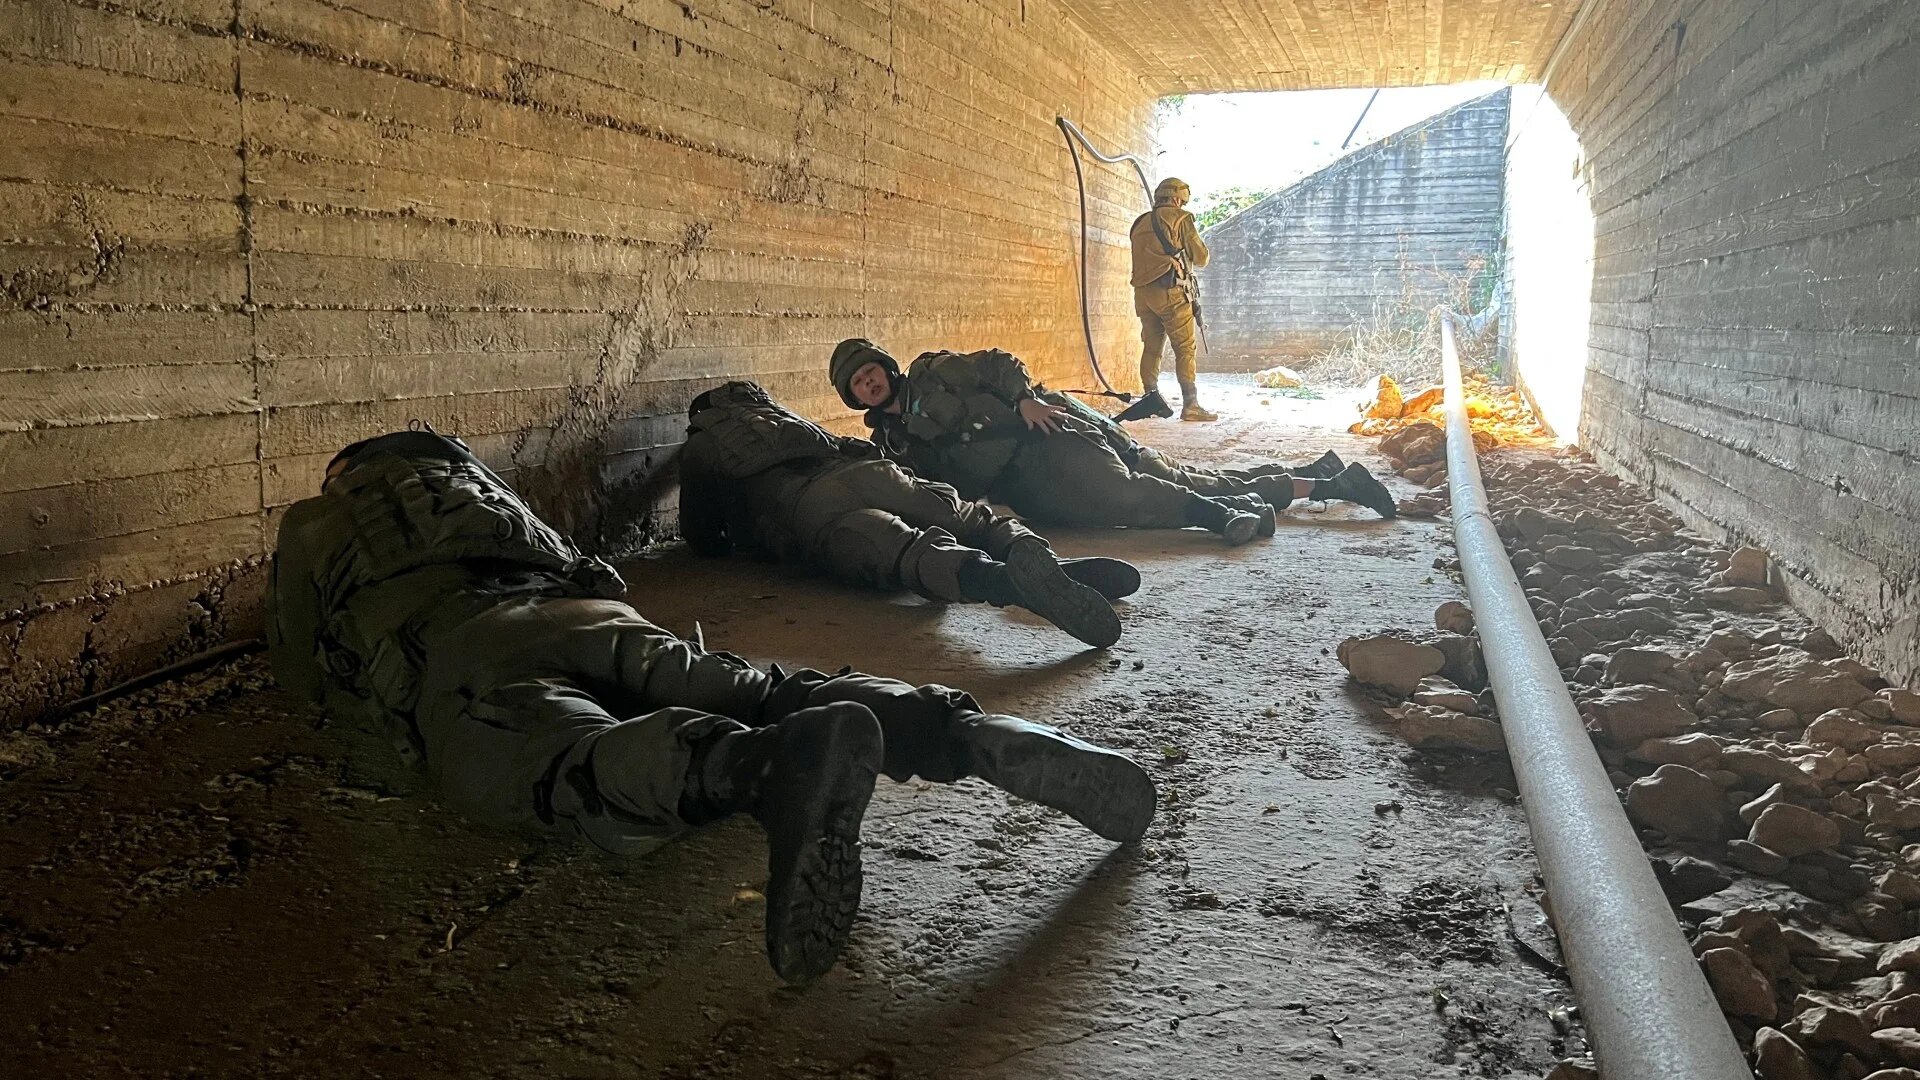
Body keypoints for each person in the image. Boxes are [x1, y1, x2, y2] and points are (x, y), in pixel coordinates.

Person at [267, 429, 1157, 986]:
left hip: (463, 649)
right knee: (768, 687)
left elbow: (300, 669)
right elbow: (598, 571)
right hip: (600, 617)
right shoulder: (488, 498)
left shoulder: (316, 526)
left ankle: (763, 769)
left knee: (555, 760)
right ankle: (971, 733)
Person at [680, 380, 1138, 648]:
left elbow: (702, 537)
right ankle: (1045, 563)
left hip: (808, 505)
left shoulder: (704, 443)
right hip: (867, 470)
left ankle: (1008, 584)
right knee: (968, 518)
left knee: (907, 553)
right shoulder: (786, 418)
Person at [826, 339, 1398, 544]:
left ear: (884, 366)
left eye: (869, 370)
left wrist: (1024, 396)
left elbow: (1000, 363)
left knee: (1139, 493)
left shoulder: (935, 372)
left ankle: (1225, 516)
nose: (869, 382)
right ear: (856, 397)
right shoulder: (891, 445)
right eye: (858, 383)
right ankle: (1326, 480)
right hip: (1026, 481)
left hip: (1050, 433)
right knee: (1182, 478)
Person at [1131, 177, 1213, 421]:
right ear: (1178, 198)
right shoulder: (1181, 218)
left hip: (1143, 295)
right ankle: (1191, 406)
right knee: (1185, 348)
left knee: (1152, 347)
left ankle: (1150, 400)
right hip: (1171, 292)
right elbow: (1201, 257)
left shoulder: (1140, 222)